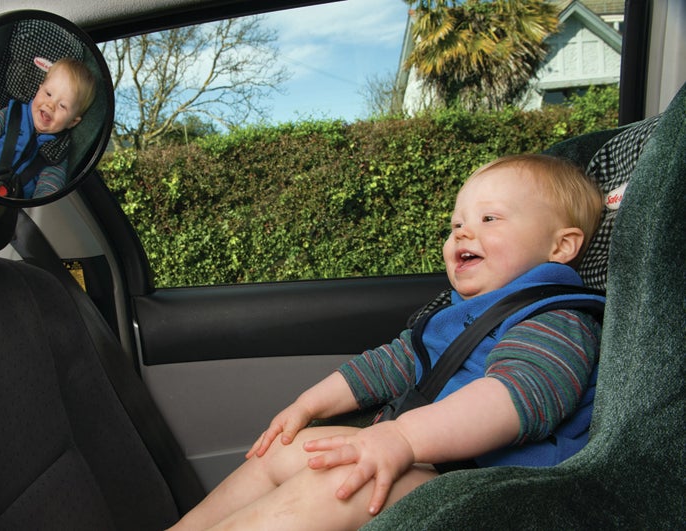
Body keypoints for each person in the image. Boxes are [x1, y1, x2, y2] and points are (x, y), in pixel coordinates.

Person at [169, 153, 605, 531]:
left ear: (561, 246)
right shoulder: (461, 314)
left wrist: (405, 439)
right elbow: (393, 363)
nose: (462, 233)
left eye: (489, 219)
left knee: (338, 482)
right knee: (284, 452)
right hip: (438, 465)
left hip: (502, 490)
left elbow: (516, 398)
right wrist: (310, 405)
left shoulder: (556, 320)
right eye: (456, 223)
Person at [0, 57, 96, 199]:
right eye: (48, 94)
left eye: (62, 106)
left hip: (9, 203)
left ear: (73, 122)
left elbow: (50, 187)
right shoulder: (13, 113)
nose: (50, 105)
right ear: (39, 90)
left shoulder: (57, 149)